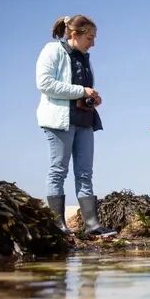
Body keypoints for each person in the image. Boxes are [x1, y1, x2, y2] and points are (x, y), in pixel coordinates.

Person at [36, 15, 116, 237]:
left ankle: (92, 225)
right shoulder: (52, 50)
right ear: (74, 34)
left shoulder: (85, 57)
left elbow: (83, 88)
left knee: (85, 173)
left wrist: (92, 97)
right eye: (90, 37)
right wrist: (81, 91)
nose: (93, 43)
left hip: (84, 120)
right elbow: (44, 83)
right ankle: (57, 225)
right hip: (59, 120)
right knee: (58, 170)